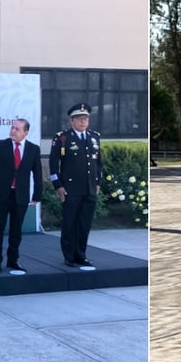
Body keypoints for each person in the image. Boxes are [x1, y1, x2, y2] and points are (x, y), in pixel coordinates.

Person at [0, 118, 42, 272]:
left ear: (25, 133)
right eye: (12, 128)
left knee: (16, 230)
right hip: (1, 193)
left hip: (20, 195)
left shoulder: (33, 149)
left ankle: (13, 260)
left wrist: (37, 195)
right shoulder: (1, 145)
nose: (13, 131)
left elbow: (37, 174)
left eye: (17, 129)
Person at [49, 103, 103, 267]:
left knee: (84, 224)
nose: (83, 121)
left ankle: (81, 254)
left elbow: (98, 163)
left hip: (89, 188)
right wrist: (58, 185)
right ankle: (69, 255)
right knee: (69, 223)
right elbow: (53, 164)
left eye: (85, 118)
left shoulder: (94, 137)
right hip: (70, 188)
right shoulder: (62, 138)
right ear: (72, 121)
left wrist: (98, 182)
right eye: (79, 119)